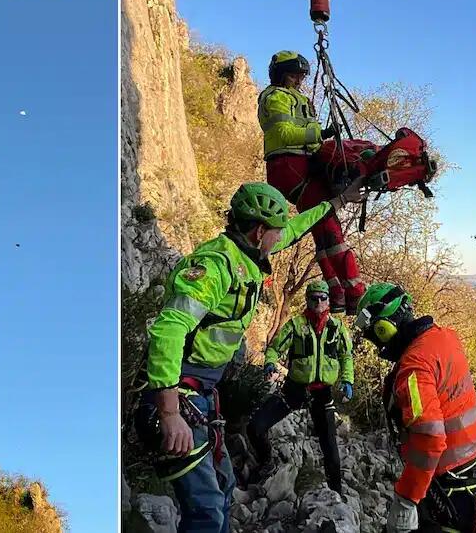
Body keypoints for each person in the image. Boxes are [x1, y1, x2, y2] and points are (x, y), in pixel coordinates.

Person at [134, 180, 362, 533]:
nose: (280, 237)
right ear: (259, 232)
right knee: (207, 511)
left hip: (202, 393)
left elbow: (295, 229)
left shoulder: (249, 253)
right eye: (275, 231)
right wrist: (169, 412)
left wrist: (335, 202)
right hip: (178, 394)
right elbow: (169, 328)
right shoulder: (217, 264)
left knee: (224, 486)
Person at [354, 282, 476, 533]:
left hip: (451, 491)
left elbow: (430, 439)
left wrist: (406, 499)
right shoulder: (444, 337)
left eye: (375, 335)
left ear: (383, 329)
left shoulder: (414, 367)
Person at [258, 50, 365, 313]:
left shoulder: (295, 98)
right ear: (281, 75)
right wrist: (319, 132)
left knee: (323, 232)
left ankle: (339, 295)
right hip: (289, 166)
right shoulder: (275, 96)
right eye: (293, 75)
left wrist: (323, 136)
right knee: (330, 228)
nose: (298, 81)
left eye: (301, 76)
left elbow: (305, 137)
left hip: (299, 164)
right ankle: (355, 293)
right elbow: (283, 133)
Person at [248, 280, 354, 494]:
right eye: (314, 298)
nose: (318, 302)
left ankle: (336, 492)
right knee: (255, 427)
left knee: (330, 447)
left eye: (323, 298)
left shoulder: (336, 328)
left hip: (322, 393)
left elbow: (346, 355)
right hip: (294, 389)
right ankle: (267, 461)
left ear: (328, 301)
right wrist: (270, 362)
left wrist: (347, 380)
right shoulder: (295, 325)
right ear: (307, 299)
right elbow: (274, 348)